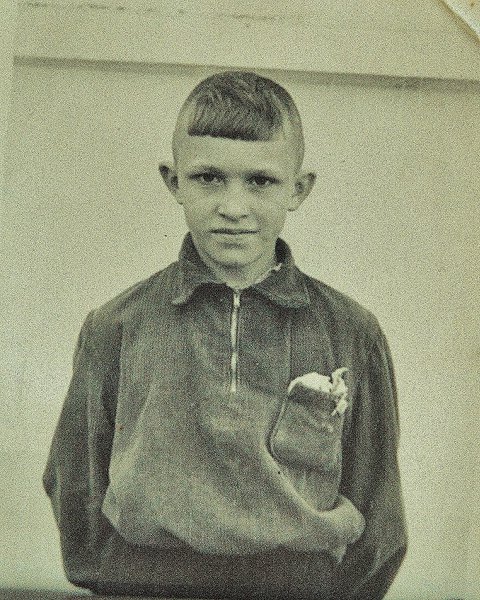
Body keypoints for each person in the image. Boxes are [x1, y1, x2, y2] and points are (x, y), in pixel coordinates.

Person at [43, 71, 407, 600]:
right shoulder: (117, 325)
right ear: (174, 182)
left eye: (260, 181)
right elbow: (74, 481)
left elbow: (379, 501)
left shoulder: (350, 329)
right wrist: (117, 579)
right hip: (146, 583)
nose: (233, 207)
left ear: (298, 189)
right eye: (209, 177)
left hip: (295, 587)